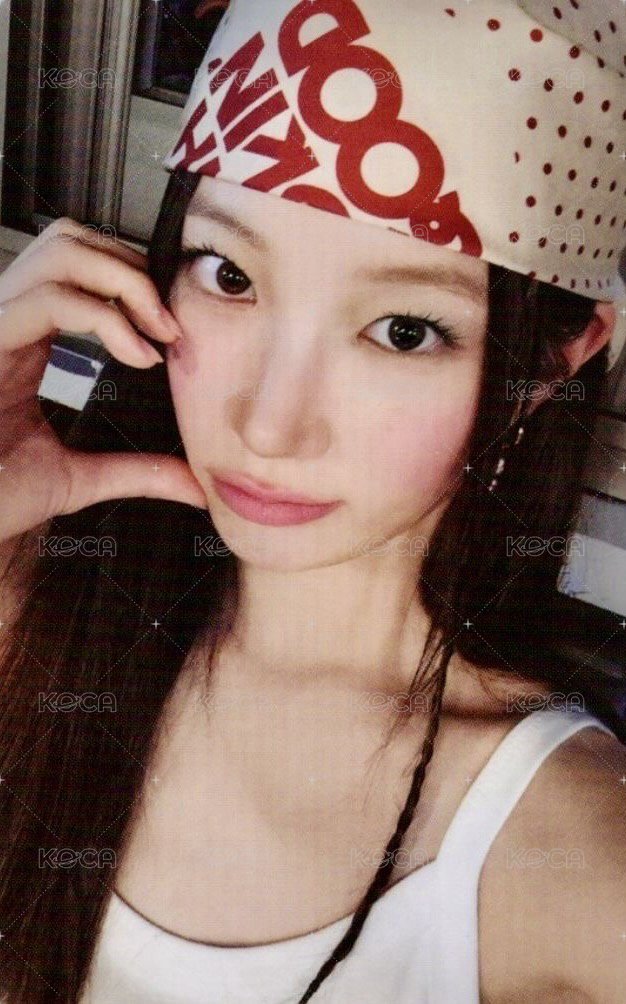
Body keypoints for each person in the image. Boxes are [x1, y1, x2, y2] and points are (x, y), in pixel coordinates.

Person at [0, 1, 625, 1001]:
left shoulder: (562, 861)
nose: (269, 424)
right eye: (229, 273)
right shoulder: (35, 607)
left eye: (404, 329)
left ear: (548, 365)